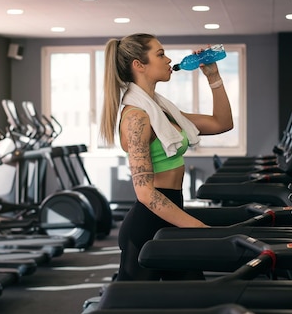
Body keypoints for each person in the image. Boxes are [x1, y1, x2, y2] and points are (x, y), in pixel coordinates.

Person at [100, 33, 234, 282]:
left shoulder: (163, 110)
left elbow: (222, 123)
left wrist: (213, 77)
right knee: (134, 313)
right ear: (139, 65)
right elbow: (145, 193)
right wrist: (198, 228)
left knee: (191, 301)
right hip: (148, 226)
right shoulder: (137, 117)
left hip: (170, 216)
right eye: (160, 54)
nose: (168, 59)